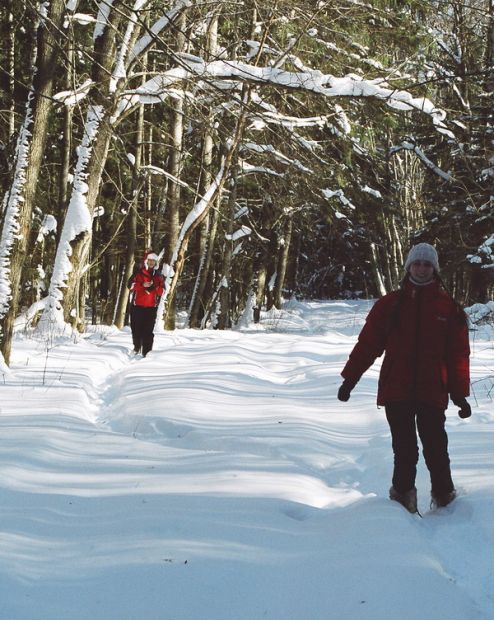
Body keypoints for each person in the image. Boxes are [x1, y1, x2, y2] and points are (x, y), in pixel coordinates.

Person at [337, 243, 471, 513]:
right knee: (405, 451)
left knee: (436, 448)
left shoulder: (448, 309)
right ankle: (402, 502)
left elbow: (458, 355)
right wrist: (350, 379)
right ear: (408, 266)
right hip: (397, 389)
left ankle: (445, 499)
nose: (421, 268)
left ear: (434, 269)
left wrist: (459, 395)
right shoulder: (390, 305)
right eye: (417, 263)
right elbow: (367, 345)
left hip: (433, 389)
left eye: (427, 264)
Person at [128, 252, 164, 357]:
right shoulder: (138, 273)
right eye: (150, 260)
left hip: (151, 308)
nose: (152, 262)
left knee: (148, 331)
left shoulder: (158, 276)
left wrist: (155, 288)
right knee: (136, 329)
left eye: (154, 261)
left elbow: (162, 291)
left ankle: (147, 353)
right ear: (146, 261)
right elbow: (130, 285)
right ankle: (137, 347)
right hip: (137, 306)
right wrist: (142, 285)